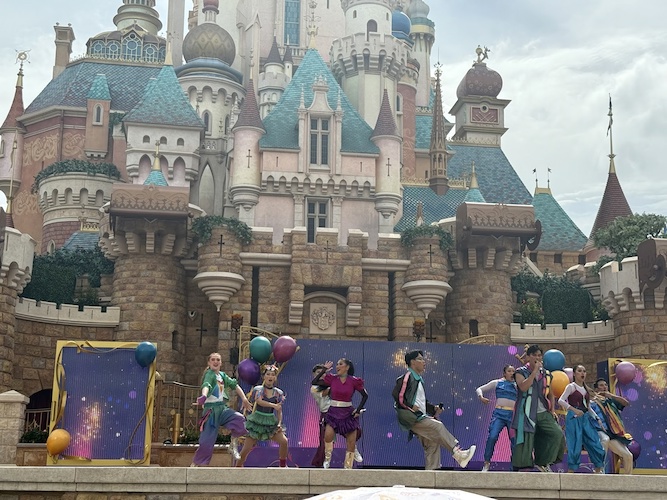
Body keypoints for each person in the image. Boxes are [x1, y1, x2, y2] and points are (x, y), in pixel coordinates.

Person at [393, 349, 476, 470]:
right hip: (412, 416)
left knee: (432, 443)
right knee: (438, 426)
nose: (424, 362)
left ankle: (431, 473)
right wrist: (410, 406)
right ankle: (458, 454)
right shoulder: (408, 377)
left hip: (418, 415)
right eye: (420, 359)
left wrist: (433, 408)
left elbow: (422, 403)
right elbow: (397, 395)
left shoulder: (418, 380)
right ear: (412, 362)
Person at [191, 352, 252, 467]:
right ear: (209, 363)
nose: (215, 362)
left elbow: (235, 385)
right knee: (206, 441)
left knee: (239, 419)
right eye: (213, 360)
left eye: (218, 360)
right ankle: (197, 463)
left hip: (222, 409)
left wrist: (244, 399)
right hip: (211, 412)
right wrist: (204, 396)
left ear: (221, 363)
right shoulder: (209, 374)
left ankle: (233, 444)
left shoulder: (222, 376)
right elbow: (206, 385)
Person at [511, 344, 564, 472]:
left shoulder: (546, 374)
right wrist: (534, 371)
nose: (537, 358)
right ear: (528, 357)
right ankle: (523, 467)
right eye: (534, 355)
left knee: (557, 434)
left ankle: (543, 462)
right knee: (526, 439)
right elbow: (523, 387)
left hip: (543, 411)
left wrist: (552, 411)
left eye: (539, 355)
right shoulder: (520, 372)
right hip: (526, 412)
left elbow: (551, 394)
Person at [311, 358, 368, 469]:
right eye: (337, 364)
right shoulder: (332, 379)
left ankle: (348, 467)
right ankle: (327, 460)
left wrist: (358, 410)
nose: (337, 366)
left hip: (348, 412)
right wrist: (324, 370)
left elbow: (365, 396)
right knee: (328, 436)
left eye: (340, 364)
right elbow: (314, 382)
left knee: (351, 440)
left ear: (347, 367)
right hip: (333, 412)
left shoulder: (354, 381)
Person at [236, 364, 289, 467]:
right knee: (246, 448)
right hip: (257, 420)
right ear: (264, 376)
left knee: (284, 441)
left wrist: (279, 423)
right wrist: (273, 405)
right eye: (268, 374)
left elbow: (279, 410)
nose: (270, 377)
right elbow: (259, 401)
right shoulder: (258, 389)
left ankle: (282, 465)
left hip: (270, 421)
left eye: (272, 375)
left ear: (275, 377)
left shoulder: (278, 392)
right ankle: (238, 466)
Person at [557, 364, 605, 473]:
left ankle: (598, 468)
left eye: (584, 371)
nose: (582, 373)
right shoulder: (571, 387)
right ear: (574, 374)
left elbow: (588, 407)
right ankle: (571, 470)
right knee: (574, 443)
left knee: (594, 441)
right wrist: (574, 410)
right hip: (574, 417)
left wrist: (597, 418)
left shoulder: (586, 389)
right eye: (579, 371)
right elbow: (561, 400)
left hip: (585, 417)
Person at [476, 364, 517, 472]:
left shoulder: (517, 385)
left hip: (512, 415)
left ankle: (514, 467)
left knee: (514, 440)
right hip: (499, 414)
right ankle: (486, 463)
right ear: (504, 373)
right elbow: (480, 389)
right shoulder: (497, 382)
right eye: (509, 371)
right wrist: (481, 397)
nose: (512, 373)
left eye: (513, 371)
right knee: (492, 437)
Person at [591, 378, 634, 474]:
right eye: (601, 385)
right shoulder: (593, 402)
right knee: (605, 439)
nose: (604, 387)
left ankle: (628, 480)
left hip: (612, 433)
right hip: (599, 431)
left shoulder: (611, 400)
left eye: (605, 385)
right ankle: (599, 470)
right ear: (596, 389)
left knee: (628, 456)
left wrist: (610, 395)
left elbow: (625, 403)